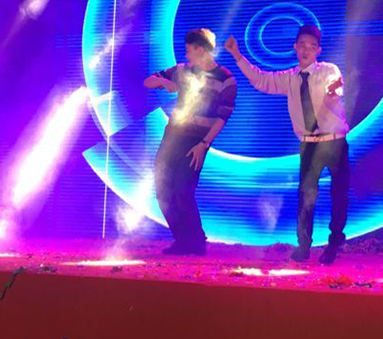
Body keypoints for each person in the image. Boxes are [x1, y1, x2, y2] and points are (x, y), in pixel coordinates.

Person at [224, 25, 349, 264]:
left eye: (312, 46)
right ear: (295, 47)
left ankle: (334, 244)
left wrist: (333, 91)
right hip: (309, 145)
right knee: (306, 195)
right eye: (302, 45)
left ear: (318, 50)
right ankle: (304, 245)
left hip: (334, 142)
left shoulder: (328, 70)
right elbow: (261, 80)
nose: (306, 50)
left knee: (339, 194)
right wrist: (237, 55)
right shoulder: (289, 77)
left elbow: (336, 86)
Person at [144, 28, 236, 256]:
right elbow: (148, 81)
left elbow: (222, 118)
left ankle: (196, 242)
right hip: (172, 136)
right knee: (162, 189)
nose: (186, 55)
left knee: (183, 190)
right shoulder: (182, 70)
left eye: (189, 51)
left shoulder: (225, 79)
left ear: (201, 50)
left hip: (196, 141)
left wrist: (204, 144)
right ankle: (182, 240)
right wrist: (164, 82)